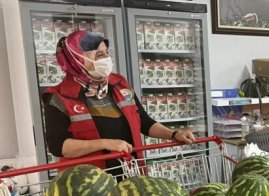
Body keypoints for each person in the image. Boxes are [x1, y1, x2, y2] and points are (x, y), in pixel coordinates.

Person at [44, 31, 195, 173]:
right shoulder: (59, 97)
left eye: (107, 53)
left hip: (130, 173)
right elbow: (58, 146)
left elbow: (144, 122)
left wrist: (173, 134)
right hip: (91, 185)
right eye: (99, 55)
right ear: (76, 59)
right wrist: (105, 143)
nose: (106, 60)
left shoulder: (119, 84)